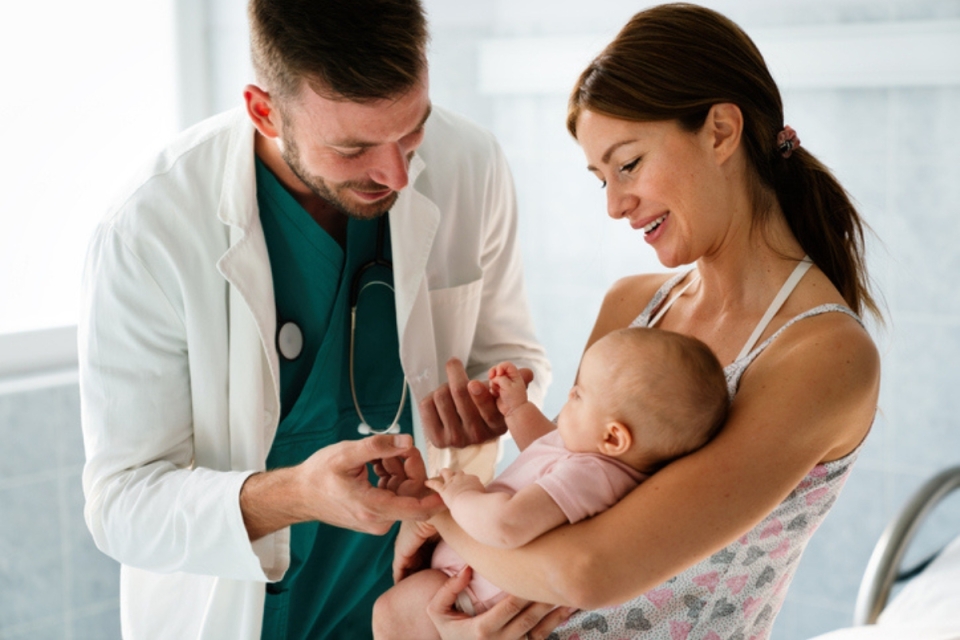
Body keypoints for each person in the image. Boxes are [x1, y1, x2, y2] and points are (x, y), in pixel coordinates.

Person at [392, 4, 882, 639]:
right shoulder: (633, 306)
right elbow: (568, 481)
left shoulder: (822, 354)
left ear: (721, 131)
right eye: (601, 180)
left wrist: (444, 510)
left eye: (628, 164)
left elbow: (586, 568)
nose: (617, 206)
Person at [77, 1, 554, 638]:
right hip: (244, 615)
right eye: (352, 148)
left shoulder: (472, 163)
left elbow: (514, 350)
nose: (397, 174)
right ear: (263, 110)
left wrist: (494, 407)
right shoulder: (149, 230)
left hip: (420, 606)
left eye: (412, 133)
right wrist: (299, 495)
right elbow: (121, 505)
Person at [373, 327, 729, 639]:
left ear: (614, 438)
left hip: (470, 598)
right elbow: (545, 448)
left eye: (578, 394)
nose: (568, 397)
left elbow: (505, 525)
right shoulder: (590, 458)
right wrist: (516, 409)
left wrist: (456, 497)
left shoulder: (592, 476)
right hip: (466, 578)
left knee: (389, 616)